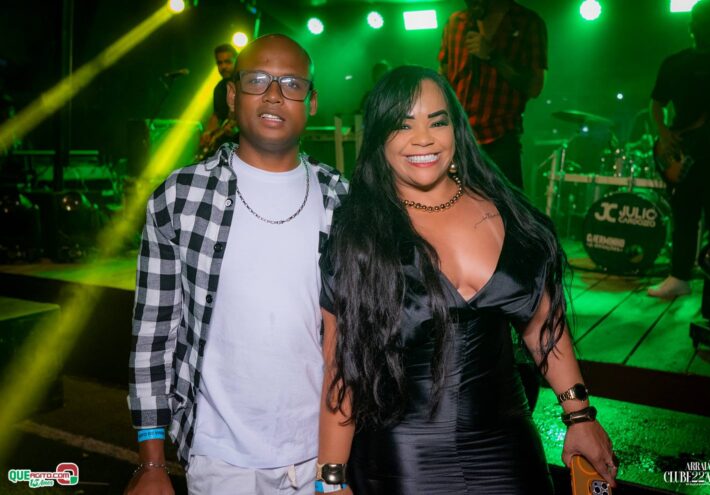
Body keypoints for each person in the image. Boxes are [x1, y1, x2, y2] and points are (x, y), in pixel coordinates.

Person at [316, 66, 616, 494]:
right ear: (380, 137)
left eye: (437, 122)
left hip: (508, 449)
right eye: (403, 125)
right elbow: (341, 369)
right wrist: (330, 480)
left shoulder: (506, 212)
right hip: (404, 460)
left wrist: (580, 416)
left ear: (457, 130)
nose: (423, 138)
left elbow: (542, 327)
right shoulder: (362, 235)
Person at [126, 34, 348, 495]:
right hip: (220, 461)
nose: (274, 95)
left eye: (291, 83)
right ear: (232, 95)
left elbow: (355, 345)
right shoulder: (179, 196)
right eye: (257, 80)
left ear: (311, 101)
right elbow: (153, 332)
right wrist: (151, 463)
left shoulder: (342, 200)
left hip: (321, 454)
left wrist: (335, 472)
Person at [647, 0, 710, 316]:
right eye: (702, 20)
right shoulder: (675, 63)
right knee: (684, 217)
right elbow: (656, 104)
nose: (706, 25)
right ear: (692, 25)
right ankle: (679, 277)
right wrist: (664, 134)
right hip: (683, 152)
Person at [439, 0, 547, 190]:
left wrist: (492, 55)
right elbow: (443, 78)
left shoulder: (527, 22)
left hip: (500, 139)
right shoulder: (456, 22)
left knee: (505, 206)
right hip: (457, 139)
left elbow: (534, 87)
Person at [199, 43, 238, 156]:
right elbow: (217, 114)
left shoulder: (248, 83)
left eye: (228, 62)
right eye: (220, 63)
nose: (223, 67)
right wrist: (209, 133)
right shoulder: (219, 88)